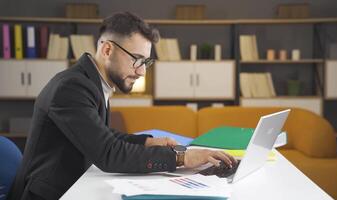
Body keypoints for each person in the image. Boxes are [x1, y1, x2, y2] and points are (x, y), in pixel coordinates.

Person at [8, 12, 235, 200]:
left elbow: (102, 135)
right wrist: (183, 158)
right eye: (136, 59)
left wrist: (147, 141)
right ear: (107, 50)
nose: (141, 71)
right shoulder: (71, 88)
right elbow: (108, 153)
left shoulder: (92, 82)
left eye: (146, 62)